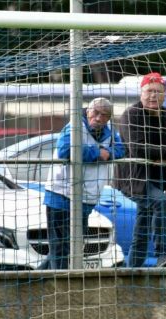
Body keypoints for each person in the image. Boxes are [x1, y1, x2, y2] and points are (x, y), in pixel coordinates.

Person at [114, 72, 166, 268]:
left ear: (164, 94)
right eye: (149, 91)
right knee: (162, 203)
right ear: (141, 92)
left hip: (159, 179)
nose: (153, 95)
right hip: (134, 179)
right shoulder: (131, 114)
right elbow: (137, 147)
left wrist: (164, 154)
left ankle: (132, 271)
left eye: (158, 91)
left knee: (143, 226)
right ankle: (161, 252)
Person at [41, 97, 125, 269]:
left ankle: (37, 283)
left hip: (87, 198)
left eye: (105, 115)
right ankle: (60, 287)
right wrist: (97, 153)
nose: (99, 118)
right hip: (61, 194)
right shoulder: (74, 127)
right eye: (96, 113)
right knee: (60, 248)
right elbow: (65, 150)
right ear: (88, 111)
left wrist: (107, 152)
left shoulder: (110, 133)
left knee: (71, 246)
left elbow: (121, 149)